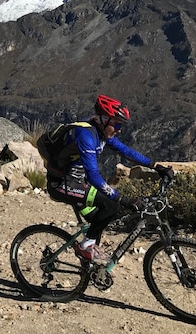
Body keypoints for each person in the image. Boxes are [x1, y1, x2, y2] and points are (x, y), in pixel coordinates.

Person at [45, 94, 174, 265]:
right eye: (117, 124)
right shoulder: (86, 135)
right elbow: (93, 175)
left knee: (99, 217)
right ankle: (85, 248)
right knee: (110, 206)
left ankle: (88, 265)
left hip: (76, 180)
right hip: (61, 184)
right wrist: (122, 198)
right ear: (103, 119)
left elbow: (126, 152)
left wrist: (157, 166)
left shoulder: (101, 132)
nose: (119, 129)